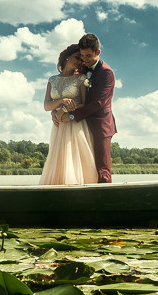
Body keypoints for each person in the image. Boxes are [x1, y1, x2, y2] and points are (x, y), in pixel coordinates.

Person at [38, 45, 99, 185]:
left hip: (75, 124)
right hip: (59, 126)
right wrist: (59, 104)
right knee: (58, 160)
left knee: (74, 161)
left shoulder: (81, 79)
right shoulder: (52, 80)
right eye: (77, 57)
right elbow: (47, 106)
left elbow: (85, 104)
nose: (79, 62)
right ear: (67, 57)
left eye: (81, 60)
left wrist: (64, 110)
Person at [62, 33, 116, 183]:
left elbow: (98, 103)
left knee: (102, 169)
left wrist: (71, 116)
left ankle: (106, 203)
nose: (84, 59)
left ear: (98, 52)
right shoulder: (82, 70)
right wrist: (58, 112)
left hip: (100, 127)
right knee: (84, 167)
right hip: (81, 126)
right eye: (82, 55)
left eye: (88, 56)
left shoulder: (107, 73)